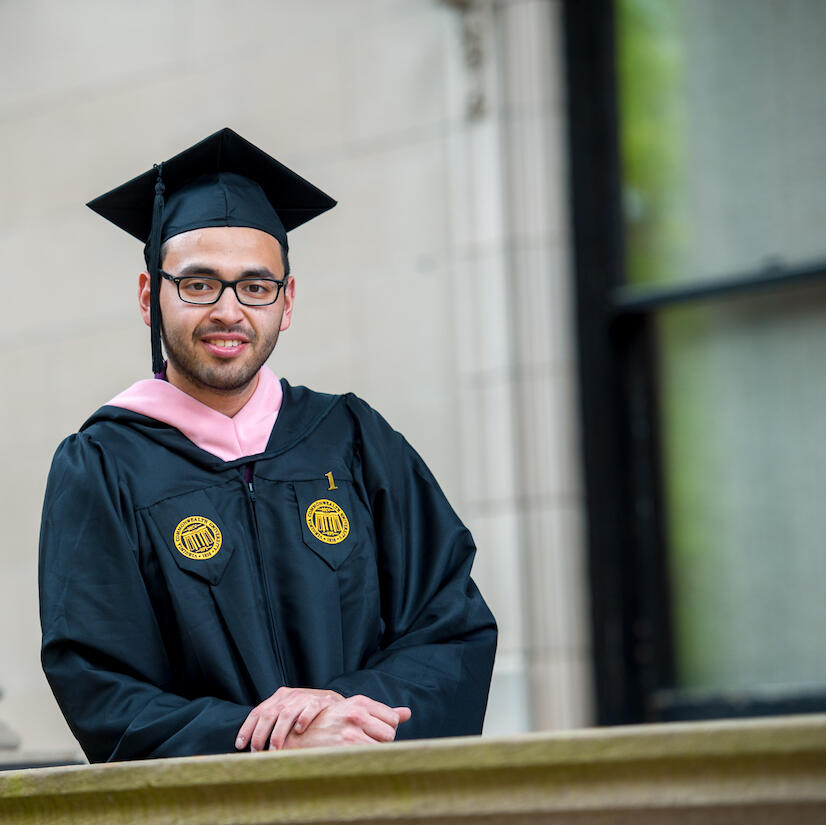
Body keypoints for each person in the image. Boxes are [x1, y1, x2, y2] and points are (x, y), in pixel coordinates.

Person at [39, 128, 496, 762]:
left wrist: (339, 711)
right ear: (150, 297)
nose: (230, 311)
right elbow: (101, 687)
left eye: (256, 286)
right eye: (199, 284)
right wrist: (271, 740)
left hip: (370, 790)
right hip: (220, 802)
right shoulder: (103, 466)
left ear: (287, 301)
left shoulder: (354, 440)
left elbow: (451, 628)